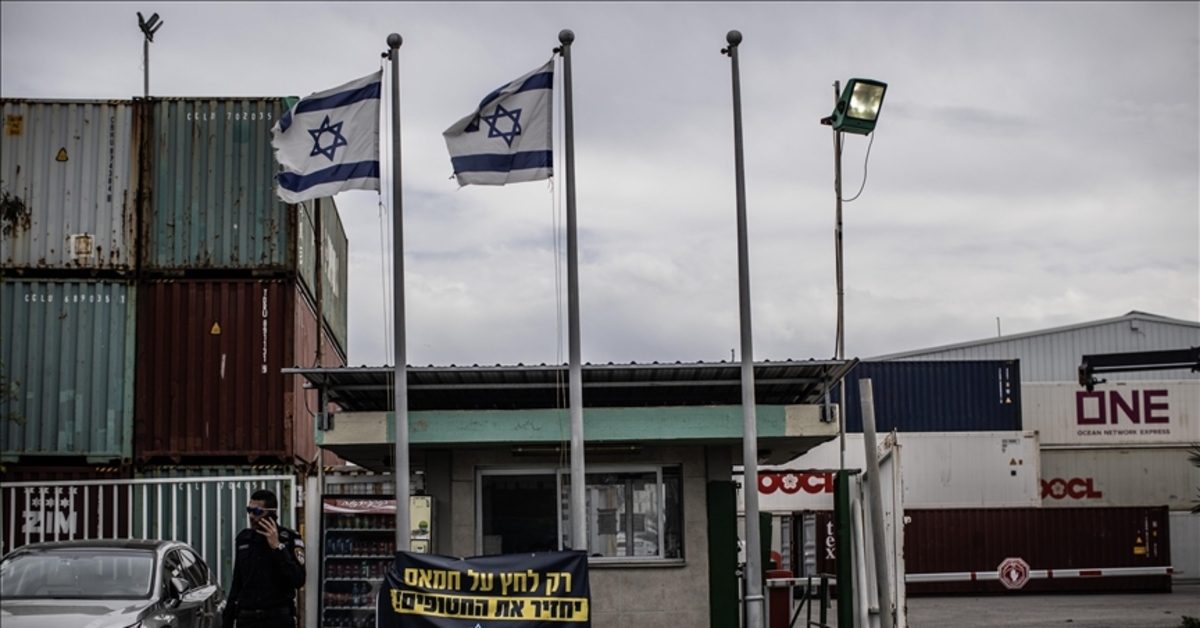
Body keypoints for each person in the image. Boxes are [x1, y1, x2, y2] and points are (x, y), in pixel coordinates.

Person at [223, 489, 306, 627]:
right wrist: (227, 622)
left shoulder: (289, 540)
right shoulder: (244, 540)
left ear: (272, 513)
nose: (251, 516)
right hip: (248, 620)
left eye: (257, 512)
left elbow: (298, 579)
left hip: (277, 619)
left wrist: (278, 548)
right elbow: (237, 584)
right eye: (249, 510)